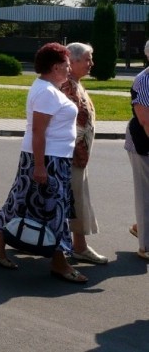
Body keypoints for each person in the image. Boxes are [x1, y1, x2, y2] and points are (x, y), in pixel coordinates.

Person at [0, 43, 86, 283]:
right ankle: (60, 263)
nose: (69, 69)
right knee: (54, 209)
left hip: (50, 158)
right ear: (55, 67)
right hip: (47, 159)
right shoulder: (46, 92)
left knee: (24, 204)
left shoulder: (48, 88)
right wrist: (40, 166)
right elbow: (38, 132)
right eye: (66, 65)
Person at [61, 42, 107, 264]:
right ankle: (79, 247)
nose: (92, 63)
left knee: (75, 200)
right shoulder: (67, 87)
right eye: (88, 59)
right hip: (70, 157)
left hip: (78, 156)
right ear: (73, 61)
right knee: (76, 201)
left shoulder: (75, 84)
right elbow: (66, 124)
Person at [126, 39, 149, 261]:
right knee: (145, 194)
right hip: (143, 142)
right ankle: (146, 247)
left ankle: (140, 227)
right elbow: (145, 120)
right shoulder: (143, 81)